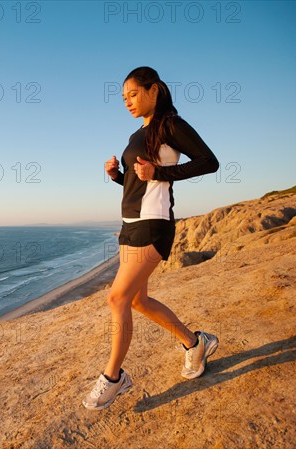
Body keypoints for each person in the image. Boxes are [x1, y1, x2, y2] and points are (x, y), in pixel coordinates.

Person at [82, 67, 221, 411]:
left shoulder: (171, 125)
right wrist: (118, 175)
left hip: (154, 224)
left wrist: (159, 171)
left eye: (132, 93)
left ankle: (114, 377)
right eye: (123, 97)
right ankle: (194, 343)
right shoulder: (137, 134)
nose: (127, 101)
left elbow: (209, 162)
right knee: (138, 301)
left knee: (116, 299)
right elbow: (140, 183)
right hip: (129, 225)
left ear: (154, 90)